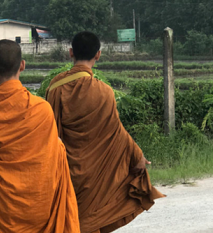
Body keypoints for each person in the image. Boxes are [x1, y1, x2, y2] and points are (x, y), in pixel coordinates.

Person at [45, 31, 165, 233]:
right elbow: (117, 132)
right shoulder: (104, 92)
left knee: (71, 222)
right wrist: (138, 156)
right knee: (92, 222)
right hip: (96, 176)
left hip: (67, 171)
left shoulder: (55, 86)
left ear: (70, 53)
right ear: (98, 55)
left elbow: (50, 132)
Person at [0, 39, 80, 233]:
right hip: (40, 207)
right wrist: (59, 146)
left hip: (4, 211)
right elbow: (51, 157)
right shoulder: (42, 109)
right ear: (22, 65)